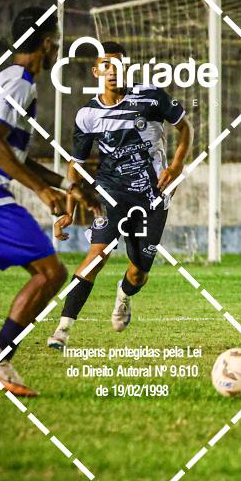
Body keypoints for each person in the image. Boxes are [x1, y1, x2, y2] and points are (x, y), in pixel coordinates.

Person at [47, 41, 192, 349]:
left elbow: (185, 129)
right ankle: (62, 329)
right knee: (96, 256)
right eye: (106, 65)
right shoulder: (88, 114)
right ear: (96, 71)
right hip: (111, 194)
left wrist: (176, 166)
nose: (113, 71)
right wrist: (68, 210)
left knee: (138, 273)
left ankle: (124, 295)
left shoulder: (151, 97)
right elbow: (76, 166)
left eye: (118, 65)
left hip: (153, 196)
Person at [0, 7, 96, 396]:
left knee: (49, 273)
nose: (57, 49)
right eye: (57, 42)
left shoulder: (10, 79)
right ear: (47, 43)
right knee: (51, 273)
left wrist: (65, 183)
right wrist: (42, 191)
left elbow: (13, 153)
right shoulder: (19, 83)